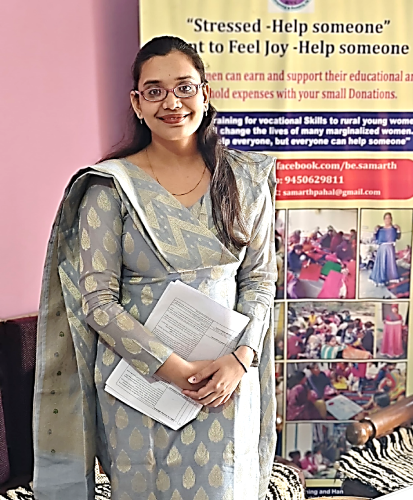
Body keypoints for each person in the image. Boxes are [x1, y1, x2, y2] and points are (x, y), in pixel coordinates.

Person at [33, 36, 277, 500]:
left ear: (206, 93)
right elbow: (97, 302)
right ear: (137, 104)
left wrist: (240, 359)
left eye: (184, 87)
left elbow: (260, 280)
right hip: (140, 384)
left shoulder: (245, 181)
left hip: (224, 381)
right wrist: (174, 369)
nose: (172, 102)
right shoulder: (111, 187)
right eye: (155, 91)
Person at [369, 212, 402, 286]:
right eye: (386, 218)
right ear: (384, 220)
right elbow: (374, 238)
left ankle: (390, 278)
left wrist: (399, 229)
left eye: (389, 218)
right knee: (382, 264)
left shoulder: (394, 229)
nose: (387, 220)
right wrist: (375, 230)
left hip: (390, 249)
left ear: (391, 219)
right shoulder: (380, 229)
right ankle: (381, 278)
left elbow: (398, 237)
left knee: (390, 264)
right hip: (382, 249)